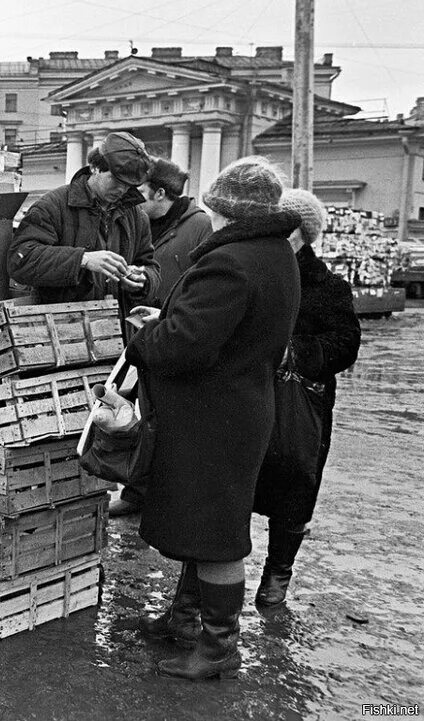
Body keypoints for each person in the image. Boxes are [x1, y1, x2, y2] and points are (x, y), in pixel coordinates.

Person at [125, 156, 301, 680]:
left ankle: (218, 645)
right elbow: (225, 327)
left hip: (213, 419)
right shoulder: (276, 253)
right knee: (200, 524)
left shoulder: (232, 260)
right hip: (235, 410)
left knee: (217, 533)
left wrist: (145, 337)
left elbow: (185, 347)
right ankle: (183, 621)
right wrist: (174, 317)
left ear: (225, 209)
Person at [251, 189, 360, 607]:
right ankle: (217, 574)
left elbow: (346, 343)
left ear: (299, 231)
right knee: (240, 480)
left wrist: (296, 352)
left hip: (303, 403)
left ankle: (278, 573)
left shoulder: (327, 284)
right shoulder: (258, 270)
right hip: (252, 392)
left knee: (295, 482)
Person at [109, 158, 212, 518]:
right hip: (141, 333)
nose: (135, 199)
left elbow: (203, 288)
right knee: (133, 414)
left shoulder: (199, 227)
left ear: (161, 193)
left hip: (172, 337)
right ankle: (136, 492)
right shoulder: (146, 222)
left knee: (162, 421)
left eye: (141, 192)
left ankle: (158, 497)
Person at [8, 131, 160, 307]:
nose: (122, 190)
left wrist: (142, 279)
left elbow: (150, 266)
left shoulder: (137, 216)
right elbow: (21, 260)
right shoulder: (52, 205)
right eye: (115, 180)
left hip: (115, 328)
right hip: (66, 326)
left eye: (128, 185)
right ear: (95, 167)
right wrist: (83, 259)